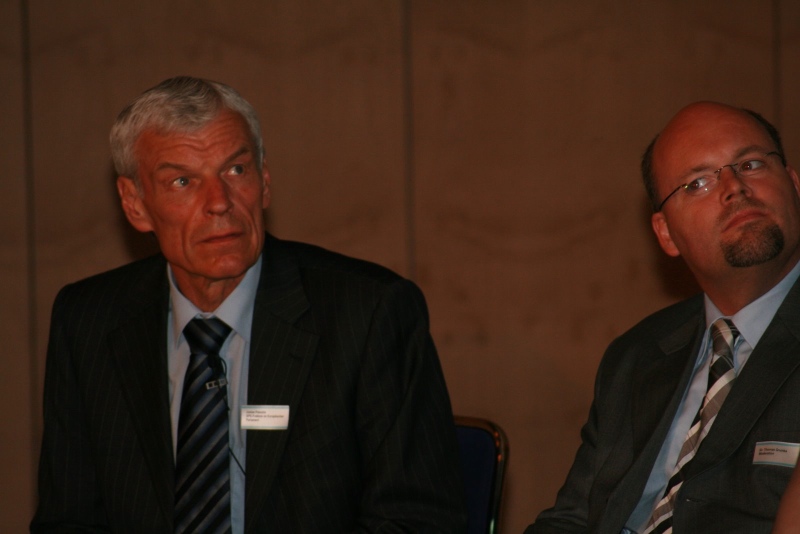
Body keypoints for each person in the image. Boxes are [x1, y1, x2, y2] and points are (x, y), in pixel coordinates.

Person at [31, 76, 466, 533]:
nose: (219, 202)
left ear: (265, 181)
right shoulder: (89, 322)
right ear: (135, 203)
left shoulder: (368, 314)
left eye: (236, 170)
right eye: (183, 181)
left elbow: (418, 521)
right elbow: (69, 520)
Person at [526, 101, 800, 533]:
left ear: (794, 185)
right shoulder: (636, 355)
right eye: (698, 183)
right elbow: (573, 519)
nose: (734, 187)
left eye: (750, 164)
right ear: (666, 233)